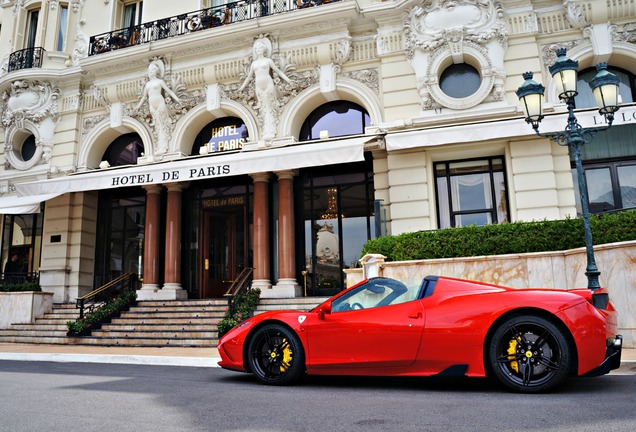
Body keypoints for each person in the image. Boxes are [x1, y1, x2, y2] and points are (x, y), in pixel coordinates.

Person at [239, 38, 292, 140]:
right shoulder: (254, 64)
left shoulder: (268, 61)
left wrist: (288, 80)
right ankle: (266, 131)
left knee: (270, 106)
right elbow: (249, 77)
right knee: (263, 108)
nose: (258, 49)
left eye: (260, 47)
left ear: (264, 49)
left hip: (268, 84)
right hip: (258, 86)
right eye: (256, 47)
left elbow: (278, 71)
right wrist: (241, 88)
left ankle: (271, 130)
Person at [135, 59, 181, 153]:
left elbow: (169, 91)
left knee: (163, 124)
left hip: (160, 103)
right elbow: (144, 97)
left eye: (152, 70)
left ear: (156, 71)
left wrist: (177, 99)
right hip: (152, 106)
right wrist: (138, 106)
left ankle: (163, 147)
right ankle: (159, 147)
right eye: (149, 71)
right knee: (158, 126)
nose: (150, 72)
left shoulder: (159, 82)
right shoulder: (147, 85)